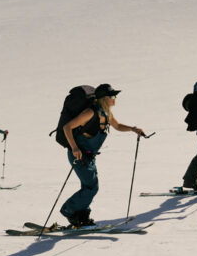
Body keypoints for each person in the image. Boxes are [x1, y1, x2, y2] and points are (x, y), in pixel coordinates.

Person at [60, 84, 146, 227]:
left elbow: (117, 126)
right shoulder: (90, 112)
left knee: (89, 186)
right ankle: (69, 210)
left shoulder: (106, 113)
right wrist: (74, 148)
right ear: (104, 98)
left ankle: (82, 216)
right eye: (112, 96)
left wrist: (132, 129)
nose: (115, 98)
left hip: (89, 156)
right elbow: (67, 127)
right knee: (91, 187)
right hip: (79, 155)